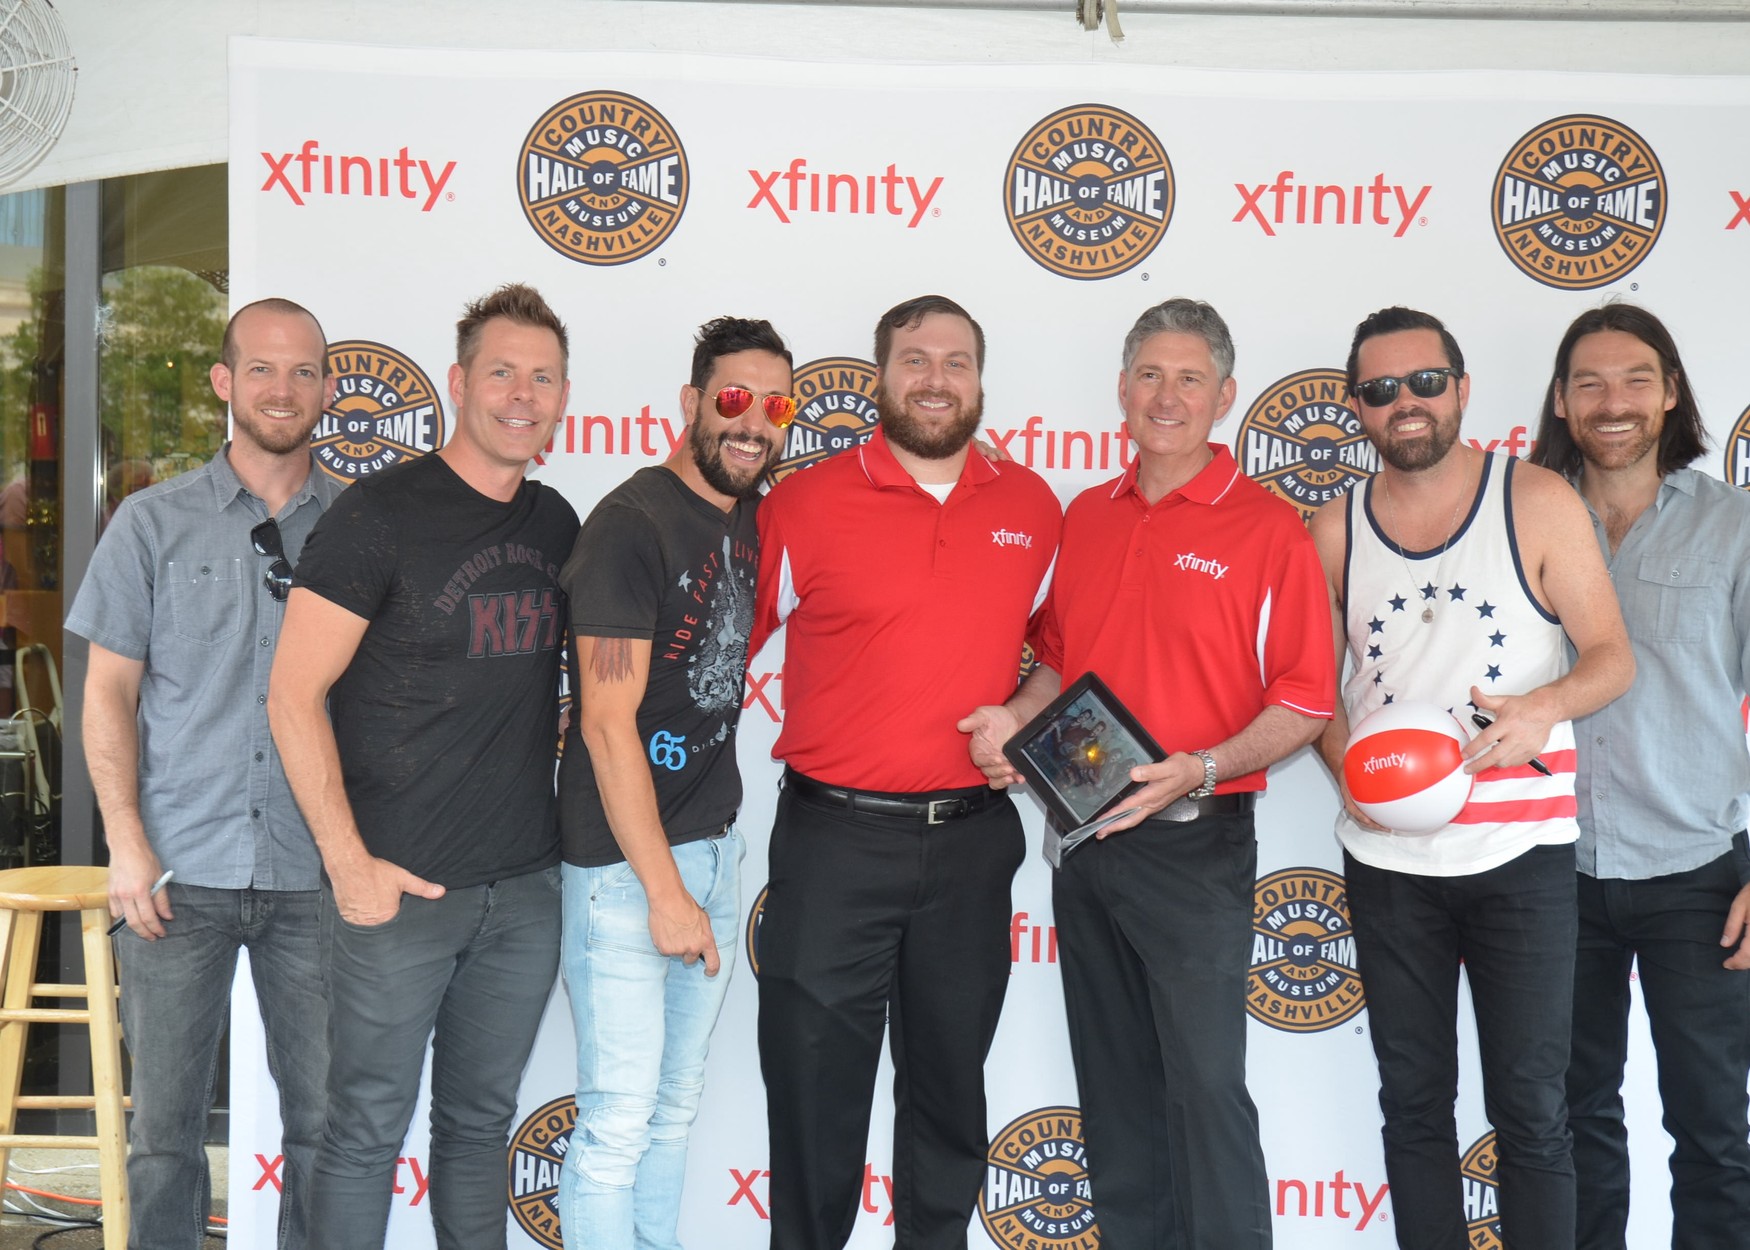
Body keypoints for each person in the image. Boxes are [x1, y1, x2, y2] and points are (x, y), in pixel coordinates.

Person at [963, 297, 1335, 1250]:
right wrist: (1016, 719)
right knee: (1117, 1091)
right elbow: (1057, 661)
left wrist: (1204, 769)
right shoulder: (1087, 516)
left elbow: (1306, 702)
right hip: (1084, 843)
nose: (1167, 397)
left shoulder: (1268, 532)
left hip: (1193, 846)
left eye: (1190, 379)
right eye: (1151, 376)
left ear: (1226, 397)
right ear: (1122, 390)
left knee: (1206, 1092)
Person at [1308, 306, 1634, 1249]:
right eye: (1380, 390)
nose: (1404, 403)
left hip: (1521, 856)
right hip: (1388, 863)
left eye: (1424, 382)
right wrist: (1358, 776)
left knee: (1533, 1110)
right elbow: (1311, 692)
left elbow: (1613, 657)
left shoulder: (1534, 500)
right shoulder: (1331, 532)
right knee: (1413, 1106)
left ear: (1460, 388)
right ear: (1355, 407)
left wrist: (1544, 707)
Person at [267, 283, 579, 1250]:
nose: (521, 395)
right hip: (396, 893)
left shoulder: (557, 523)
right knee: (361, 1137)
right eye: (501, 372)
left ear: (564, 396)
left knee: (481, 1129)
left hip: (523, 891)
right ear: (457, 382)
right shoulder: (379, 516)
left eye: (543, 378)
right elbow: (292, 695)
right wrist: (349, 864)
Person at [749, 294, 1060, 1250]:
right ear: (880, 378)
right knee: (813, 1101)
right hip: (833, 843)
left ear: (979, 379)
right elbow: (723, 657)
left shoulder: (1032, 506)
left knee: (949, 1100)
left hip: (970, 846)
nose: (936, 378)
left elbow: (1057, 658)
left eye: (956, 361)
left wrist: (1020, 714)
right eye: (914, 360)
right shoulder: (801, 505)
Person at [67, 297, 339, 1248]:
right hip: (175, 874)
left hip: (318, 877)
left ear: (329, 389)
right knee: (165, 1139)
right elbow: (106, 696)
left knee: (325, 1133)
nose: (282, 388)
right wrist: (127, 844)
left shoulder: (362, 528)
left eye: (304, 370)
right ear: (224, 383)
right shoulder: (151, 523)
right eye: (261, 368)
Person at [556, 316, 792, 1249]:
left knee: (670, 1109)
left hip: (710, 851)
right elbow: (607, 727)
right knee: (617, 1123)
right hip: (627, 868)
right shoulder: (631, 525)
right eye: (733, 398)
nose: (753, 422)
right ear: (690, 403)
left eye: (774, 405)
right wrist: (662, 891)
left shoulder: (745, 517)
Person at [1527, 303, 1750, 1249]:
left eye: (1634, 381)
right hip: (1546, 872)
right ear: (1560, 400)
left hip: (1700, 872)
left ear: (1670, 396)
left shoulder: (1735, 527)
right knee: (1571, 1128)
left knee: (1712, 1132)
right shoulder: (1518, 518)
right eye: (1589, 383)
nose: (1611, 403)